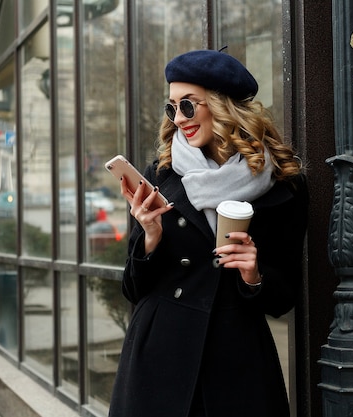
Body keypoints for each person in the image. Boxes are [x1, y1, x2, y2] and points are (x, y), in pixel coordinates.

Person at [108, 49, 308, 417]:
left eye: (189, 105)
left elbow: (284, 297)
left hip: (236, 362)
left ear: (222, 106)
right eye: (172, 108)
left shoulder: (283, 186)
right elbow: (132, 288)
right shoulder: (161, 176)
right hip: (158, 358)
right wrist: (150, 235)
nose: (179, 118)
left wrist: (254, 274)